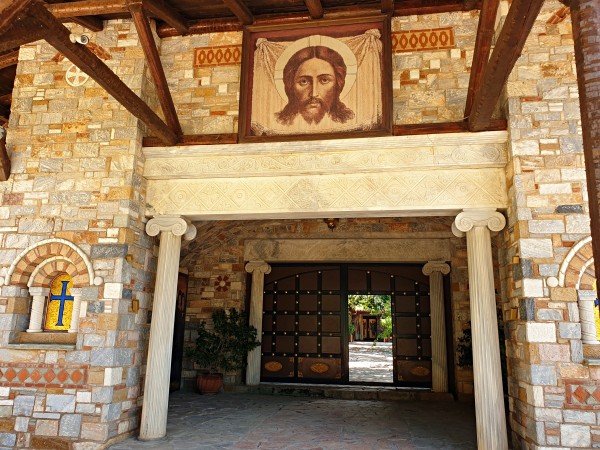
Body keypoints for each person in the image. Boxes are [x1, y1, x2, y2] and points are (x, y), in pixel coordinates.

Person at [275, 45, 355, 126]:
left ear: (338, 84)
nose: (314, 94)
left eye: (324, 80)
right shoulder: (281, 124)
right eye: (304, 81)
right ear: (291, 85)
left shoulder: (347, 124)